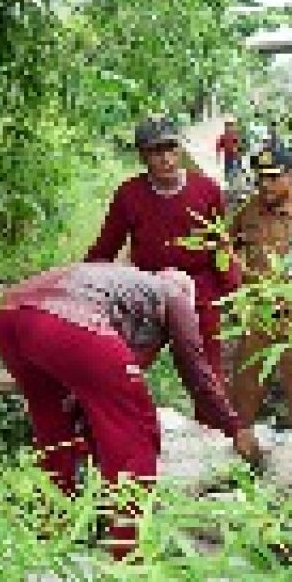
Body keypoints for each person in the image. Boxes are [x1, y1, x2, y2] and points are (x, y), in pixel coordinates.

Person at [0, 263, 261, 557]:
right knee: (138, 432)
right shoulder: (175, 293)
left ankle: (53, 525)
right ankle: (125, 547)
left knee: (55, 428)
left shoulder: (125, 291)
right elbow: (196, 371)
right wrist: (234, 427)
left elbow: (98, 381)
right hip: (66, 320)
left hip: (10, 318)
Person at [85, 116, 241, 426]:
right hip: (148, 292)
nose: (166, 158)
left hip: (200, 292)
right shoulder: (129, 195)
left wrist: (233, 294)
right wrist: (80, 287)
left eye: (171, 148)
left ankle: (215, 437)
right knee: (126, 363)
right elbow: (107, 246)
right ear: (143, 156)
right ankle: (111, 429)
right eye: (156, 151)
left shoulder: (206, 190)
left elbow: (221, 248)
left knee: (207, 374)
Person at [228, 145, 292, 430]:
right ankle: (242, 462)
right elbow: (226, 254)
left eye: (274, 177)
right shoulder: (246, 212)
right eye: (261, 177)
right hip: (258, 319)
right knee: (243, 401)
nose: (265, 184)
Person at [215, 117, 243, 185]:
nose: (230, 128)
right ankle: (229, 182)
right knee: (229, 171)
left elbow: (239, 145)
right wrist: (218, 156)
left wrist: (240, 153)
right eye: (228, 126)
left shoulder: (236, 135)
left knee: (237, 171)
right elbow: (219, 146)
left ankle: (235, 182)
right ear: (226, 127)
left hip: (236, 156)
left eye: (231, 126)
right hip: (228, 156)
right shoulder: (223, 136)